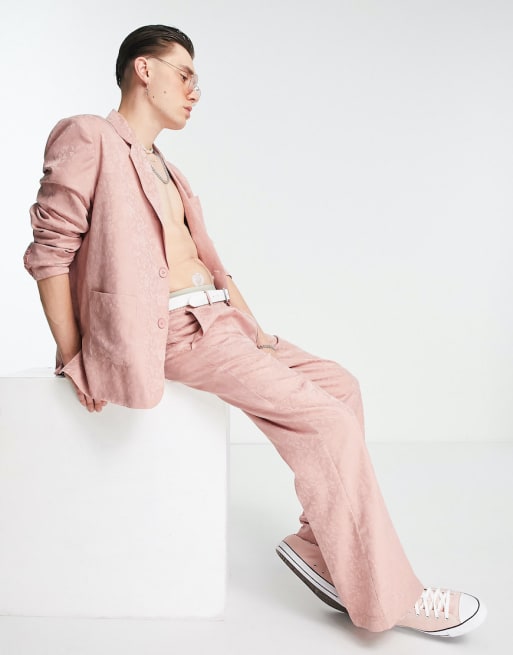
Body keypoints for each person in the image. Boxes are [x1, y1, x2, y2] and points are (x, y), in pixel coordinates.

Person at [24, 24, 486, 637]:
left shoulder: (167, 168)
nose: (195, 91)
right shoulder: (90, 136)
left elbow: (208, 262)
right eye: (184, 75)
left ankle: (318, 547)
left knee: (341, 387)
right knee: (327, 423)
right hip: (174, 331)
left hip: (223, 320)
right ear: (144, 69)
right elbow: (51, 249)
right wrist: (73, 354)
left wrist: (258, 334)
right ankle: (388, 598)